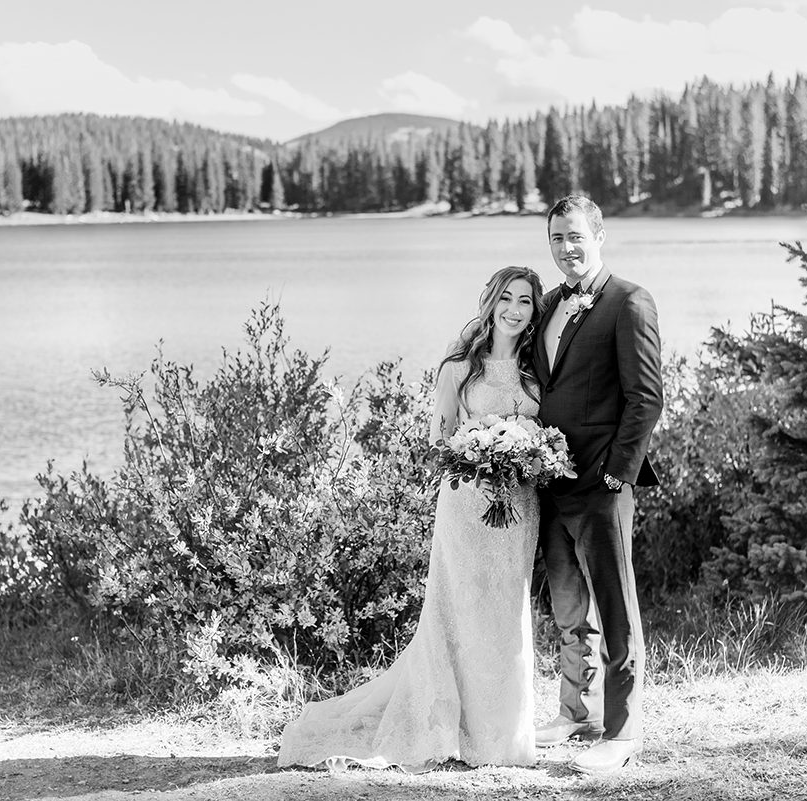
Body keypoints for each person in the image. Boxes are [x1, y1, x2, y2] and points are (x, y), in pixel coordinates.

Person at [277, 266, 546, 772]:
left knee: (507, 615)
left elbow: (547, 431)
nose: (514, 309)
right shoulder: (459, 369)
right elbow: (439, 440)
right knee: (458, 611)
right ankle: (444, 728)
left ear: (534, 310)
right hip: (466, 505)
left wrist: (530, 454)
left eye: (526, 301)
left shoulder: (537, 370)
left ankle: (501, 736)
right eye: (506, 298)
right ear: (489, 303)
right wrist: (476, 454)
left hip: (519, 509)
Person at [530, 194, 663, 775]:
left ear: (600, 235)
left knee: (615, 607)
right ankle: (573, 711)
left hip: (601, 486)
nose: (566, 249)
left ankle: (623, 731)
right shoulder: (550, 303)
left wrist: (616, 476)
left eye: (576, 237)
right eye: (557, 239)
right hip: (549, 482)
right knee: (566, 607)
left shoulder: (628, 301)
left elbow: (646, 399)